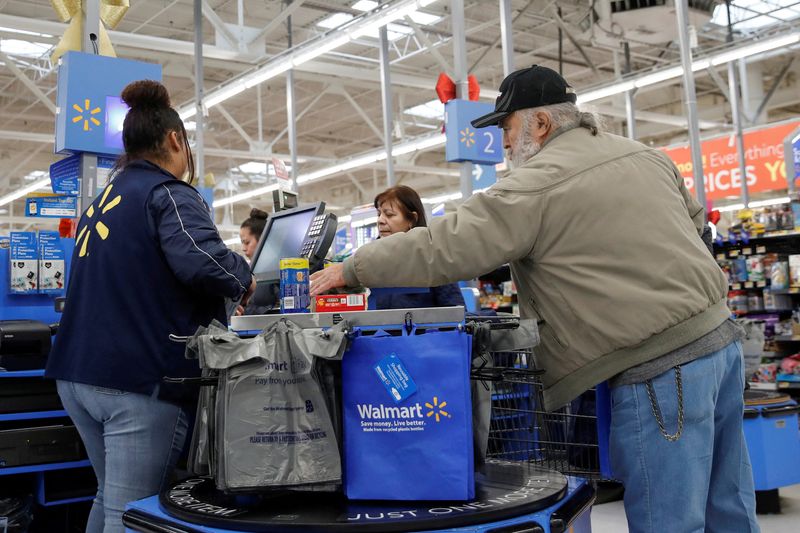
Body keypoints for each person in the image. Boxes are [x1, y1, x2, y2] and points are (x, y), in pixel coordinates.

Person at [311, 65, 759, 533]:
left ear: (540, 123)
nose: (504, 143)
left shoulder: (536, 183)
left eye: (507, 127)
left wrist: (351, 268)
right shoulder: (646, 156)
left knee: (670, 522)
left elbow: (444, 246)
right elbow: (698, 228)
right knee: (728, 506)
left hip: (660, 369)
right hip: (720, 344)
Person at [46, 80, 255, 533]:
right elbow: (203, 262)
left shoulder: (103, 200)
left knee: (109, 497)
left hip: (78, 373)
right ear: (175, 140)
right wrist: (244, 274)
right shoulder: (170, 194)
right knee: (134, 511)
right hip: (135, 380)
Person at [373, 185, 464, 310]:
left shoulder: (433, 261)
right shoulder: (373, 261)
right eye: (379, 214)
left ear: (412, 219)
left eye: (389, 215)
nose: (380, 220)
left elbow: (455, 313)